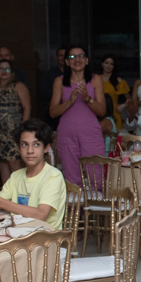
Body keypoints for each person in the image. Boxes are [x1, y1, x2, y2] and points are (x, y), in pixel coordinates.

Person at [0, 119, 66, 229]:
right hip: (18, 237)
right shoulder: (16, 176)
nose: (30, 150)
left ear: (46, 148)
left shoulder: (53, 176)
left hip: (45, 240)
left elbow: (40, 215)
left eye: (36, 145)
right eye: (24, 145)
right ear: (18, 148)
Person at [49, 44, 106, 187]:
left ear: (87, 60)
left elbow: (102, 111)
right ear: (67, 62)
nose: (77, 59)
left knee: (96, 175)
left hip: (91, 133)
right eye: (72, 57)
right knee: (71, 177)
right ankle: (75, 209)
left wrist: (87, 98)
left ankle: (95, 208)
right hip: (67, 134)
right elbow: (52, 112)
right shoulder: (60, 81)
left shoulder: (95, 79)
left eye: (81, 56)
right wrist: (69, 102)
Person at [0, 59, 31, 179]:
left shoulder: (18, 86)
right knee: (2, 162)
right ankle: (7, 194)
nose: (4, 71)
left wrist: (23, 130)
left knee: (14, 161)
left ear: (12, 72)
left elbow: (27, 107)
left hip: (13, 132)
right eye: (1, 69)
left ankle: (19, 194)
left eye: (7, 69)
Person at [99, 54, 129, 129]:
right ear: (102, 64)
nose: (108, 66)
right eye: (106, 63)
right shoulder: (96, 79)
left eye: (111, 64)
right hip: (99, 112)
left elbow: (129, 99)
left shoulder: (118, 81)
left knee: (117, 139)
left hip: (114, 113)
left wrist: (123, 106)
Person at [40, 47, 66, 131]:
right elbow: (43, 93)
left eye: (65, 56)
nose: (63, 58)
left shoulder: (74, 74)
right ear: (56, 57)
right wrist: (60, 93)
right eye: (60, 55)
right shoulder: (49, 74)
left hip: (70, 111)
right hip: (53, 113)